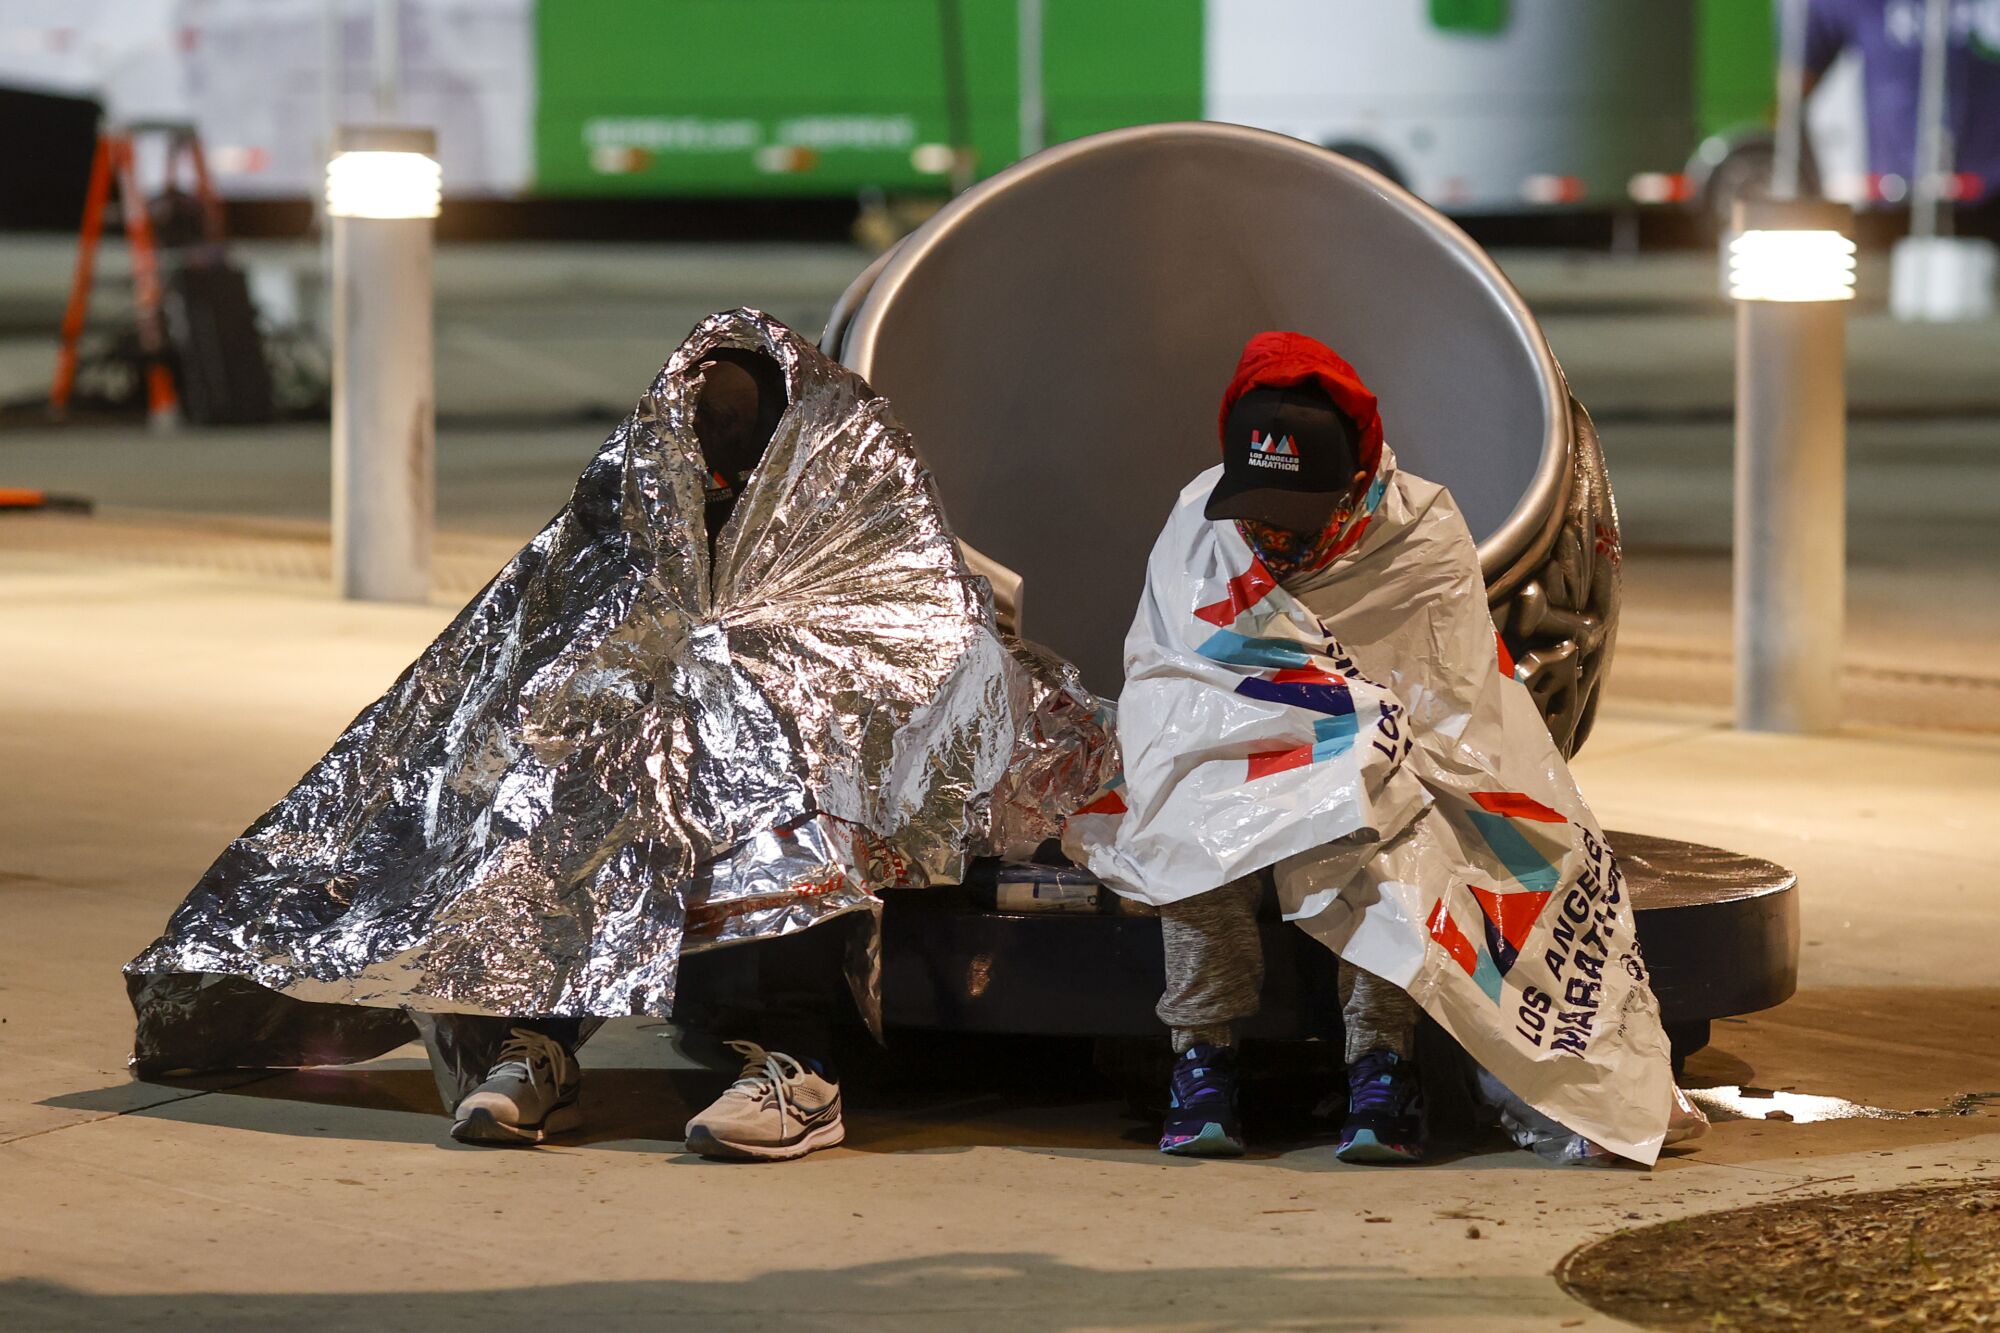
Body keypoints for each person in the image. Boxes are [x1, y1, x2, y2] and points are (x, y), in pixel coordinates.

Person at [1065, 331, 1678, 1168]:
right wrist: (1274, 742)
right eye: (1259, 518)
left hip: (1387, 763)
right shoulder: (1198, 522)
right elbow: (1168, 679)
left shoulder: (1421, 532)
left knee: (1391, 837)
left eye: (1297, 520)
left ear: (1355, 483)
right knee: (1196, 837)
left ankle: (1381, 1068)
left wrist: (1348, 752)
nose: (1274, 541)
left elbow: (1454, 701)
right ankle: (1202, 1062)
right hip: (1234, 755)